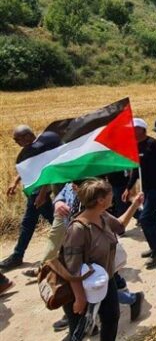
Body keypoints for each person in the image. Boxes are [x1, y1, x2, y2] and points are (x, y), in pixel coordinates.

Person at [61, 178, 144, 341]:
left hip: (105, 280)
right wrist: (79, 298)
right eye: (110, 194)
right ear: (100, 200)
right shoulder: (77, 229)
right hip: (81, 288)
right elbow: (72, 269)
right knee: (79, 332)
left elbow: (120, 225)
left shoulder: (102, 215)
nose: (112, 196)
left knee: (111, 319)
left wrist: (135, 204)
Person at [0, 126, 56, 270]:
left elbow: (48, 170)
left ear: (28, 135)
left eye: (17, 139)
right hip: (36, 193)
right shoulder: (32, 148)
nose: (16, 142)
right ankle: (76, 245)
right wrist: (15, 181)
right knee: (52, 222)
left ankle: (17, 256)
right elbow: (28, 167)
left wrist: (43, 194)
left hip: (40, 192)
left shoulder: (41, 147)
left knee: (30, 222)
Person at [125, 118, 156, 268]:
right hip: (146, 189)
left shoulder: (153, 145)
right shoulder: (136, 146)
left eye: (135, 128)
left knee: (144, 219)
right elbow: (136, 170)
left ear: (142, 130)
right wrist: (129, 187)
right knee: (152, 219)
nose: (132, 131)